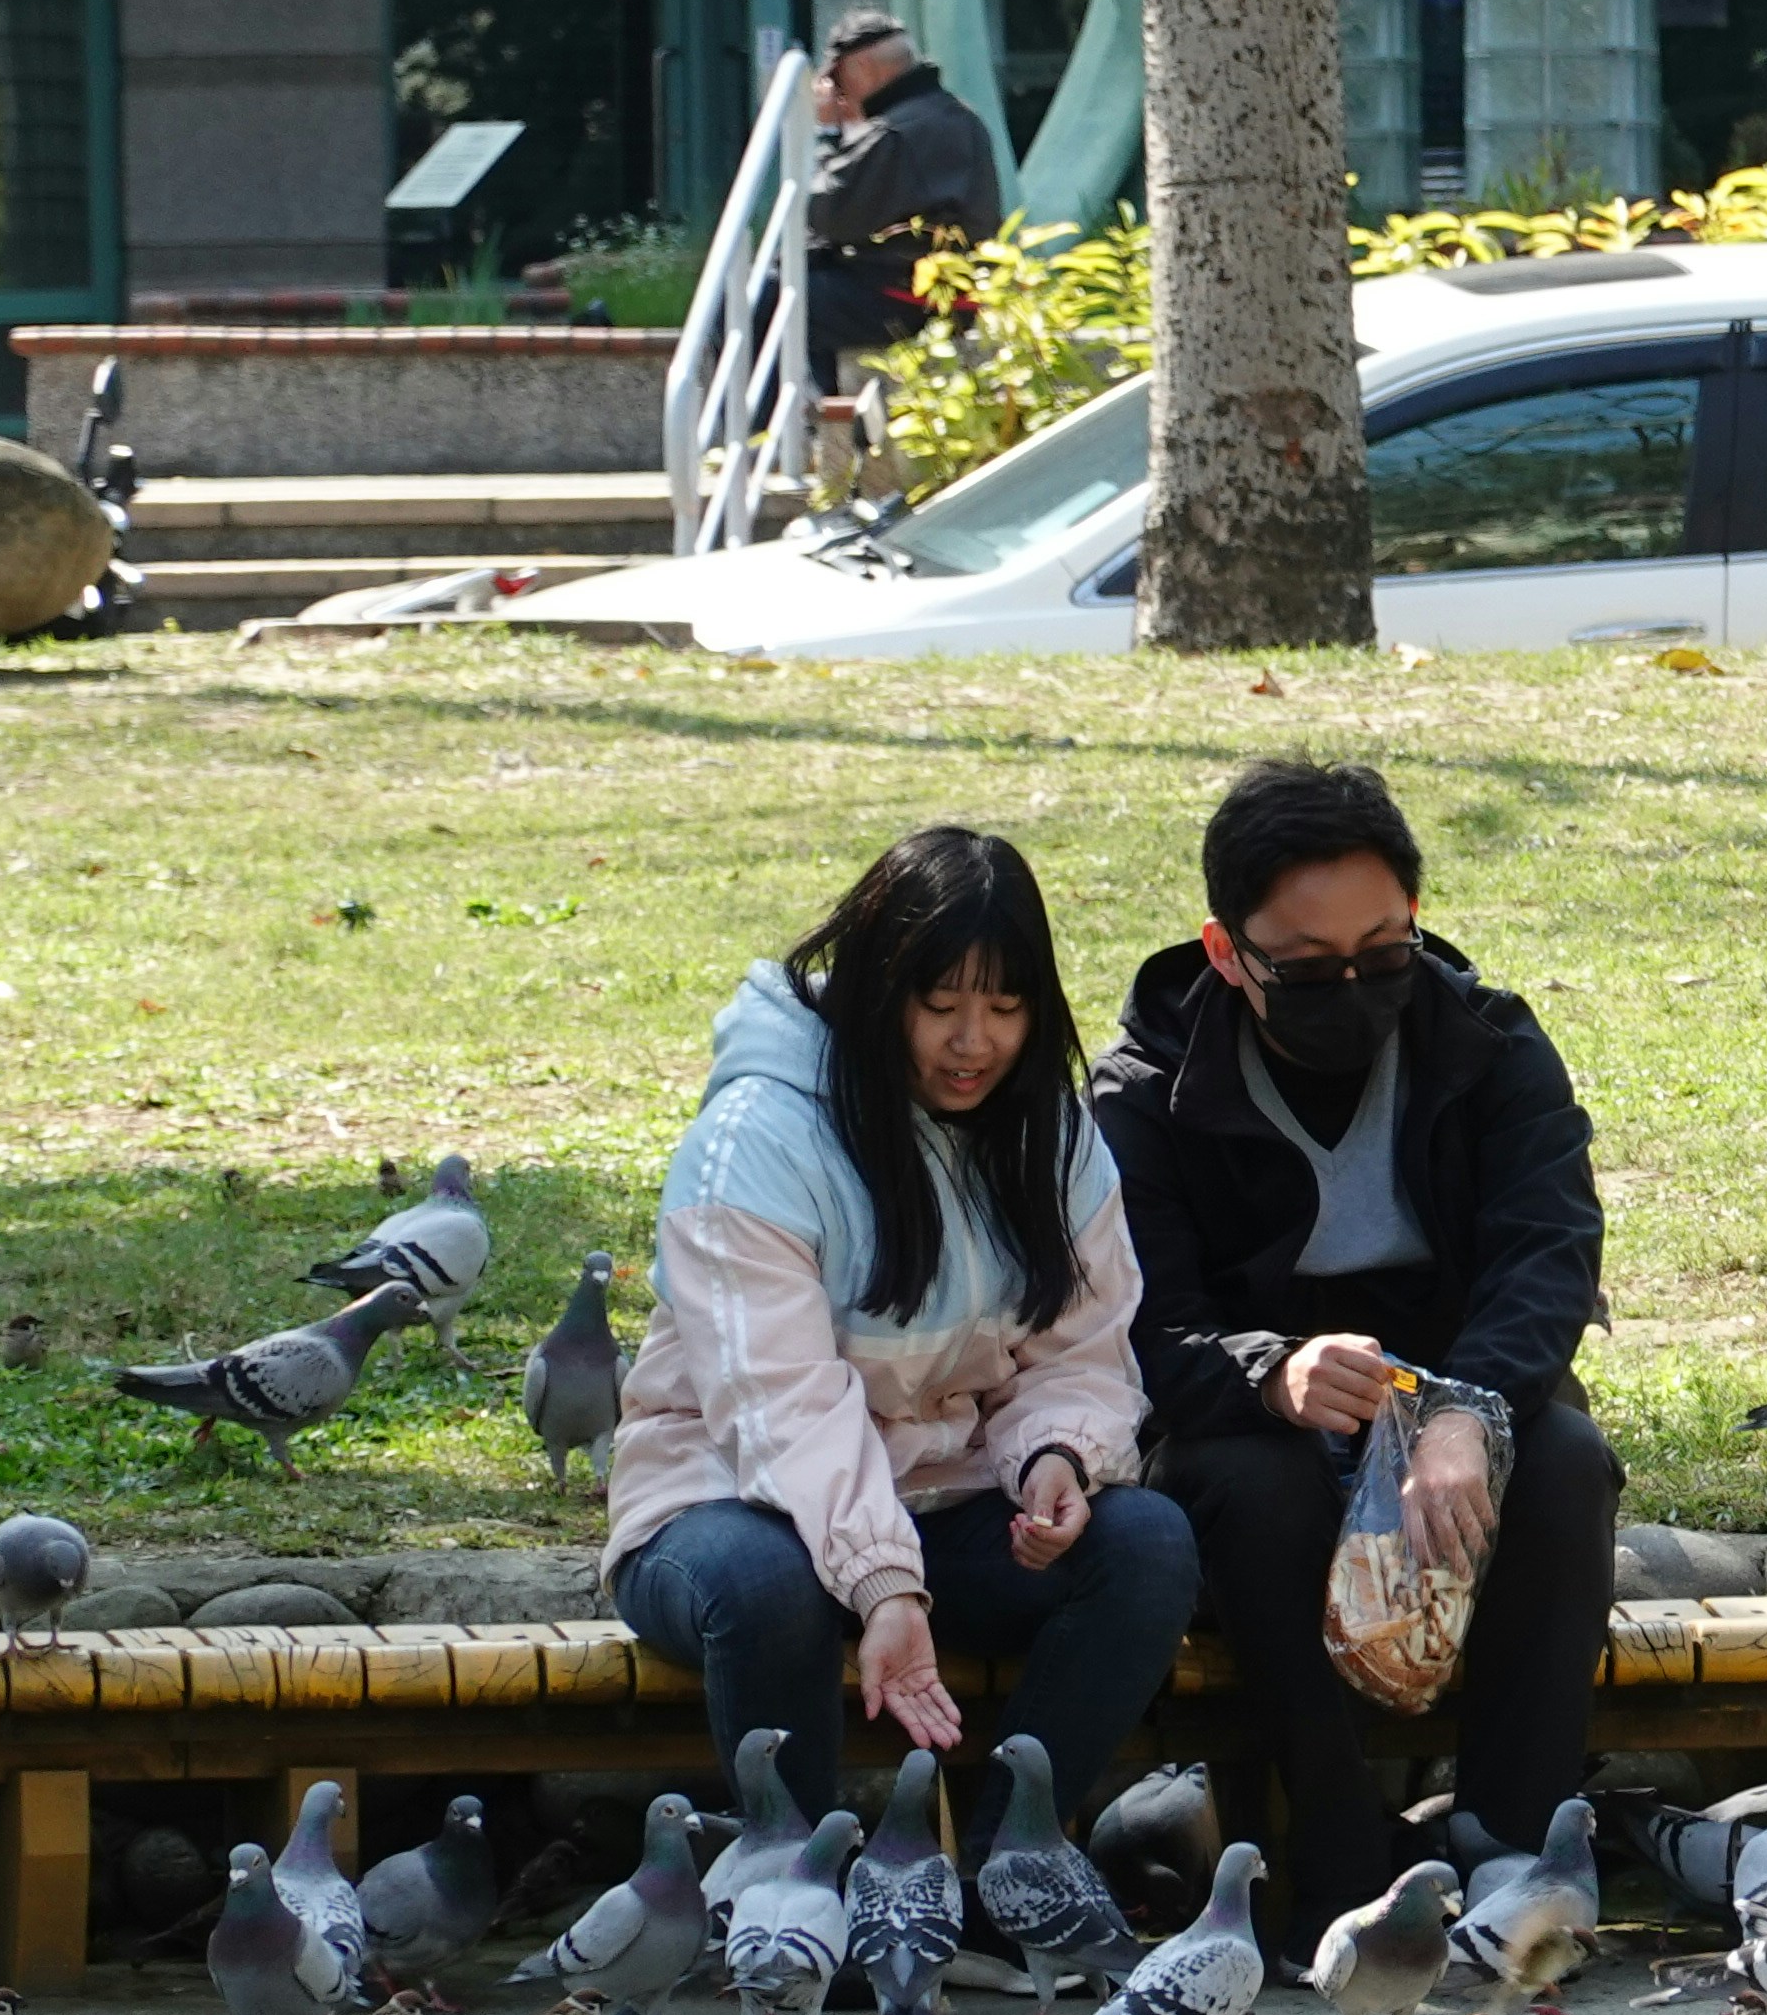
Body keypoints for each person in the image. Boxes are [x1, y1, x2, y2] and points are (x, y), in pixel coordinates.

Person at [1093, 758, 1617, 1935]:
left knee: (1565, 1467)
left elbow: (1550, 1253)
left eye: (1386, 954)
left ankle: (1515, 1852)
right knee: (1251, 1492)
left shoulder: (1490, 1044)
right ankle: (1336, 1870)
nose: (1359, 986)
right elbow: (1132, 1321)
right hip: (1255, 1427)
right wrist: (1266, 1371)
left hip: (1456, 1394)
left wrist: (1461, 1410)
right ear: (1228, 954)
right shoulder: (1143, 1093)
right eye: (1313, 968)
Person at [610, 825, 1195, 1835]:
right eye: (941, 1006)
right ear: (883, 991)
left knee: (1143, 1544)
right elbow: (780, 1412)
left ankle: (1008, 1879)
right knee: (768, 1589)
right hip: (731, 1504)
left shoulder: (1052, 1138)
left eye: (1007, 1009)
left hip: (945, 1503)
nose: (974, 1044)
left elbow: (1082, 1354)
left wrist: (1057, 1456)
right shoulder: (755, 1142)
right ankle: (795, 1908)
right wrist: (885, 1583)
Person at [800, 15, 999, 389]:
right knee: (802, 284)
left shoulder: (896, 133)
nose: (838, 96)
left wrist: (827, 132)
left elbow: (827, 213)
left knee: (763, 299)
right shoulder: (956, 116)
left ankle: (769, 435)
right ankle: (812, 416)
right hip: (947, 295)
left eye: (838, 81)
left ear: (863, 68)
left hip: (907, 299)